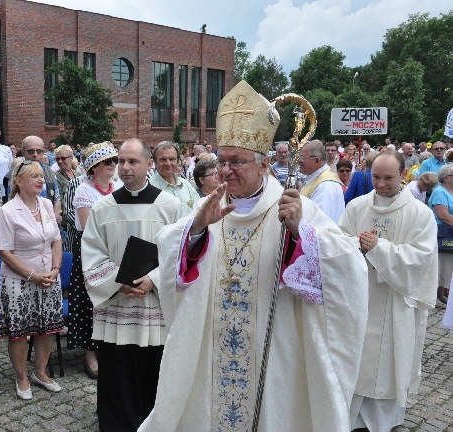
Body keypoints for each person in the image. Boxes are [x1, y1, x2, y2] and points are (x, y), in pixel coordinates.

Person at [139, 81, 368, 432]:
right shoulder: (209, 205)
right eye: (221, 161)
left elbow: (347, 265)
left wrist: (299, 233)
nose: (225, 170)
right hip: (213, 342)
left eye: (237, 162)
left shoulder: (294, 206)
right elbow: (171, 249)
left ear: (263, 165)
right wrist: (197, 229)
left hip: (275, 344)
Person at [82, 138, 184, 432]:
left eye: (132, 161)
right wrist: (118, 281)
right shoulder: (103, 208)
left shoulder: (171, 206)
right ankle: (118, 424)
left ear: (148, 164)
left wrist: (153, 278)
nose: (124, 168)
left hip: (155, 305)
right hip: (118, 303)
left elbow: (181, 253)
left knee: (153, 368)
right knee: (118, 371)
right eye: (120, 161)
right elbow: (91, 252)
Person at [340, 151, 437, 432]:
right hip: (361, 298)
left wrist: (379, 248)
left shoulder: (419, 214)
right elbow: (339, 240)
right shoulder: (357, 207)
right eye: (376, 177)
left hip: (397, 303)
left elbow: (421, 258)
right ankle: (351, 420)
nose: (381, 184)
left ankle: (385, 422)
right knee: (357, 364)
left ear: (403, 175)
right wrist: (355, 245)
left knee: (388, 365)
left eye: (388, 178)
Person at [0, 160, 64, 400]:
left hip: (49, 275)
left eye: (41, 176)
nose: (40, 180)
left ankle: (40, 372)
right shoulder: (8, 210)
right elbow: (4, 251)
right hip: (20, 279)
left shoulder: (45, 204)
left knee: (46, 328)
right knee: (20, 331)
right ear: (18, 181)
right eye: (33, 176)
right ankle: (22, 376)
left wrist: (56, 269)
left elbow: (56, 239)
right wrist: (32, 275)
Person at [68, 143, 122, 379]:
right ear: (94, 167)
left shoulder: (118, 186)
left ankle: (109, 347)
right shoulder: (84, 191)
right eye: (107, 161)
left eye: (114, 160)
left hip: (116, 248)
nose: (112, 165)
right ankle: (90, 352)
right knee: (91, 301)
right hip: (93, 250)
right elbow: (89, 226)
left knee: (112, 299)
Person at [298, 140, 345, 222]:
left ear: (316, 161)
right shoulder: (316, 179)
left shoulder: (326, 185)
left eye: (303, 158)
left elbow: (321, 222)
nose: (299, 161)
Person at [149, 141, 199, 215]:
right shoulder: (149, 188)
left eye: (172, 159)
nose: (168, 163)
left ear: (178, 161)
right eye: (163, 159)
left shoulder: (186, 185)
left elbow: (198, 210)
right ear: (155, 163)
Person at [21, 135, 62, 223]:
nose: (35, 155)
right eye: (31, 151)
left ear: (43, 152)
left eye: (39, 151)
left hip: (49, 221)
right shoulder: (16, 174)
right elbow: (11, 201)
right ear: (23, 152)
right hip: (26, 222)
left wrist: (55, 216)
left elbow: (57, 199)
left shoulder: (50, 172)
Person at [428, 164, 453, 305]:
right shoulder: (439, 192)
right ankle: (438, 294)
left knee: (448, 264)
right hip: (443, 233)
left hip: (450, 231)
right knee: (442, 264)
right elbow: (444, 215)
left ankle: (443, 292)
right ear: (445, 178)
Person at [54, 144, 81, 225]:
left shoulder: (77, 174)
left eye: (63, 158)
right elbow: (60, 199)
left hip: (80, 213)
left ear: (71, 158)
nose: (60, 161)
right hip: (67, 220)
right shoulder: (55, 176)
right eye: (57, 159)